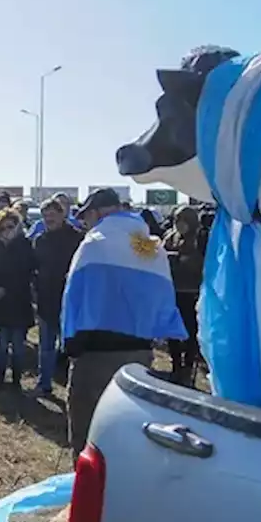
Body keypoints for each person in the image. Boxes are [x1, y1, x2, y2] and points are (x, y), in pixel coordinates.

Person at [61, 188, 187, 453]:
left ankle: (88, 491)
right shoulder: (149, 246)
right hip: (140, 350)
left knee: (87, 434)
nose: (86, 223)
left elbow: (73, 295)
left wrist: (69, 340)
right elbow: (163, 293)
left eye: (87, 216)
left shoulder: (95, 242)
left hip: (95, 352)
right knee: (129, 430)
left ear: (99, 212)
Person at [31, 198, 83, 397]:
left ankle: (75, 389)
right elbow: (34, 267)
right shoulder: (40, 240)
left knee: (72, 347)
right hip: (46, 300)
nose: (48, 219)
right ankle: (44, 384)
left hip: (70, 301)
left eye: (53, 215)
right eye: (45, 216)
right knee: (45, 347)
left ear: (63, 215)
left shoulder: (77, 238)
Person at [0, 207, 36, 390]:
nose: (7, 231)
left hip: (19, 301)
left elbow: (25, 271)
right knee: (2, 343)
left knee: (18, 345)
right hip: (1, 303)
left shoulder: (25, 244)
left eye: (11, 226)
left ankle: (16, 380)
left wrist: (5, 287)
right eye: (3, 227)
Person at [165, 206, 205, 387]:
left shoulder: (201, 239)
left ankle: (188, 367)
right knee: (172, 330)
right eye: (177, 220)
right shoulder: (170, 237)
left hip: (193, 292)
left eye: (183, 221)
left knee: (191, 331)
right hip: (174, 291)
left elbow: (204, 263)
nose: (179, 225)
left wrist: (184, 261)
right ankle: (176, 365)